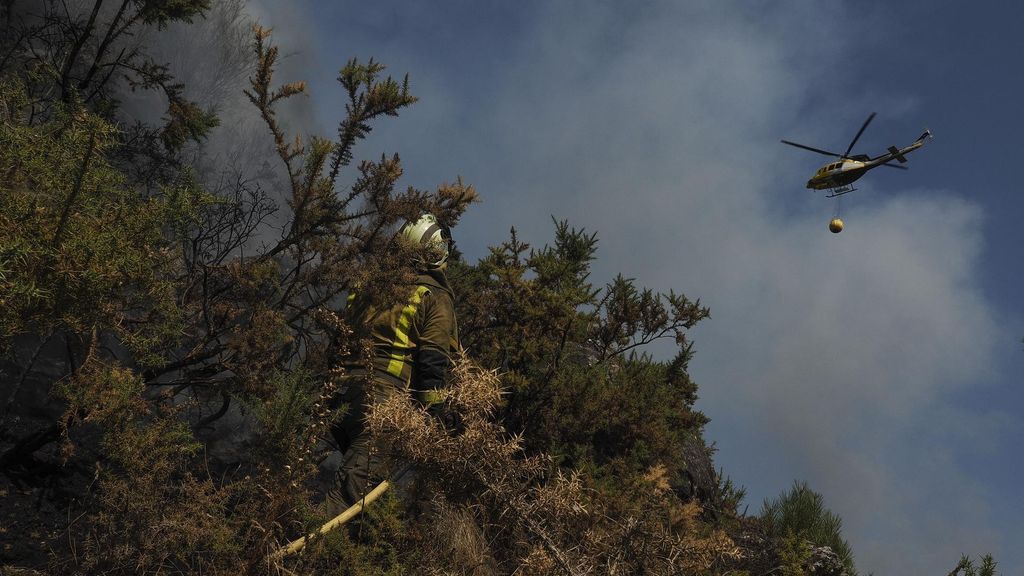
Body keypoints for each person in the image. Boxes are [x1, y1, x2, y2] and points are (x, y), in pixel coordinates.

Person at [326, 213, 461, 515]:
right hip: (381, 402)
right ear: (437, 254)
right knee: (353, 498)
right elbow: (431, 364)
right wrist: (436, 416)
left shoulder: (367, 286)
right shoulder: (433, 296)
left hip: (336, 396)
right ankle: (292, 554)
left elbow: (336, 344)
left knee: (326, 480)